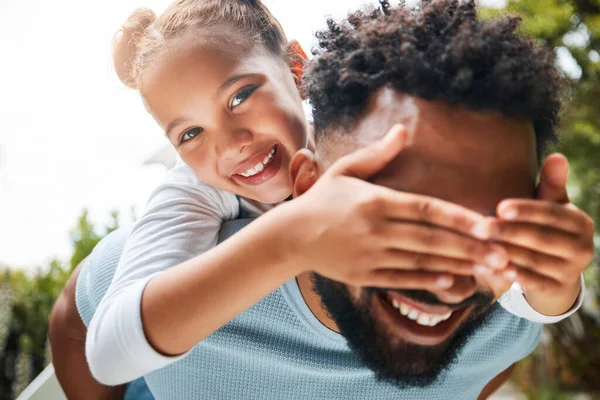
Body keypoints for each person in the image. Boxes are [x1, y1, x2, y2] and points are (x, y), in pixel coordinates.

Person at [50, 0, 594, 398]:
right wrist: (294, 238)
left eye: (241, 96)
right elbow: (105, 340)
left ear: (296, 68)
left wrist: (559, 279)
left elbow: (526, 303)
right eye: (188, 134)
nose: (231, 143)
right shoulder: (194, 195)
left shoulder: (349, 128)